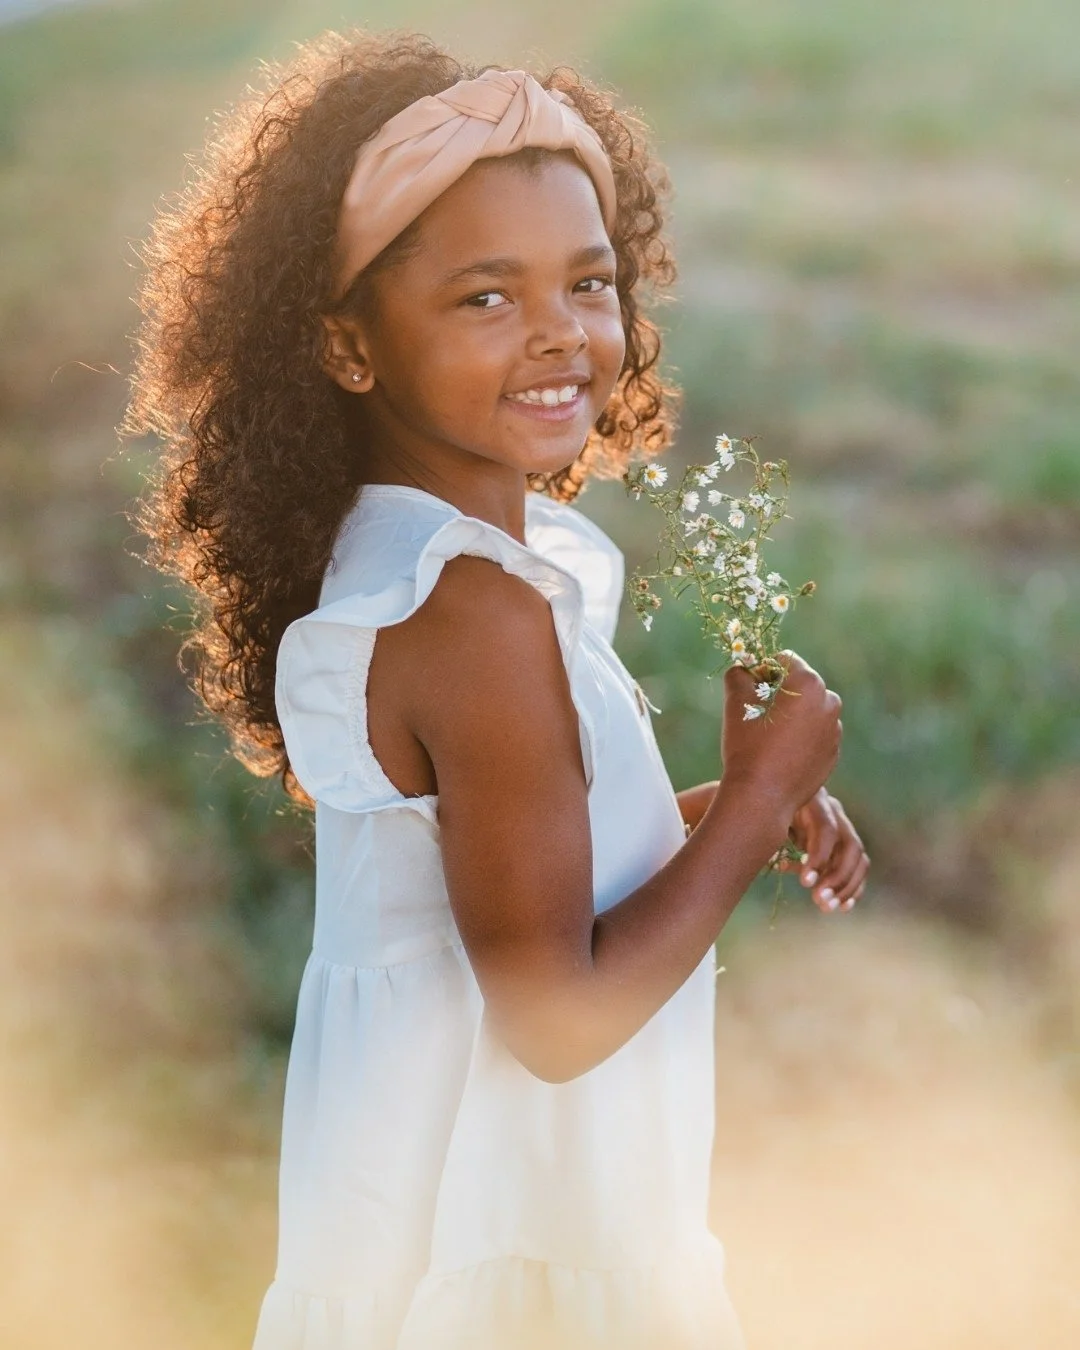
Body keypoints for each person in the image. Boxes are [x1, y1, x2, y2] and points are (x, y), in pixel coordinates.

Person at [123, 27, 869, 1350]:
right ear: (351, 347)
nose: (559, 334)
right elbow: (556, 1014)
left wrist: (696, 817)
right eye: (484, 297)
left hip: (438, 1222)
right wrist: (756, 802)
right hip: (507, 1256)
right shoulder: (472, 610)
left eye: (588, 283)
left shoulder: (411, 562)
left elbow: (500, 866)